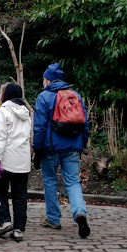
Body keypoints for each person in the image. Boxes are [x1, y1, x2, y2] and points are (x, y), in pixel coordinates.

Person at [33, 63, 91, 238]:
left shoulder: (44, 97)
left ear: (48, 80)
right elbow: (84, 124)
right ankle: (80, 212)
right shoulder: (75, 96)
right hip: (73, 146)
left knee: (50, 181)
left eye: (44, 79)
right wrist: (82, 143)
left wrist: (37, 149)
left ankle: (53, 219)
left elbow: (39, 128)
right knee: (73, 182)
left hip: (51, 147)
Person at [0, 82, 32, 242]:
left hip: (6, 161)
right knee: (20, 196)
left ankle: (4, 221)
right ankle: (19, 229)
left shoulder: (2, 112)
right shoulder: (26, 113)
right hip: (22, 161)